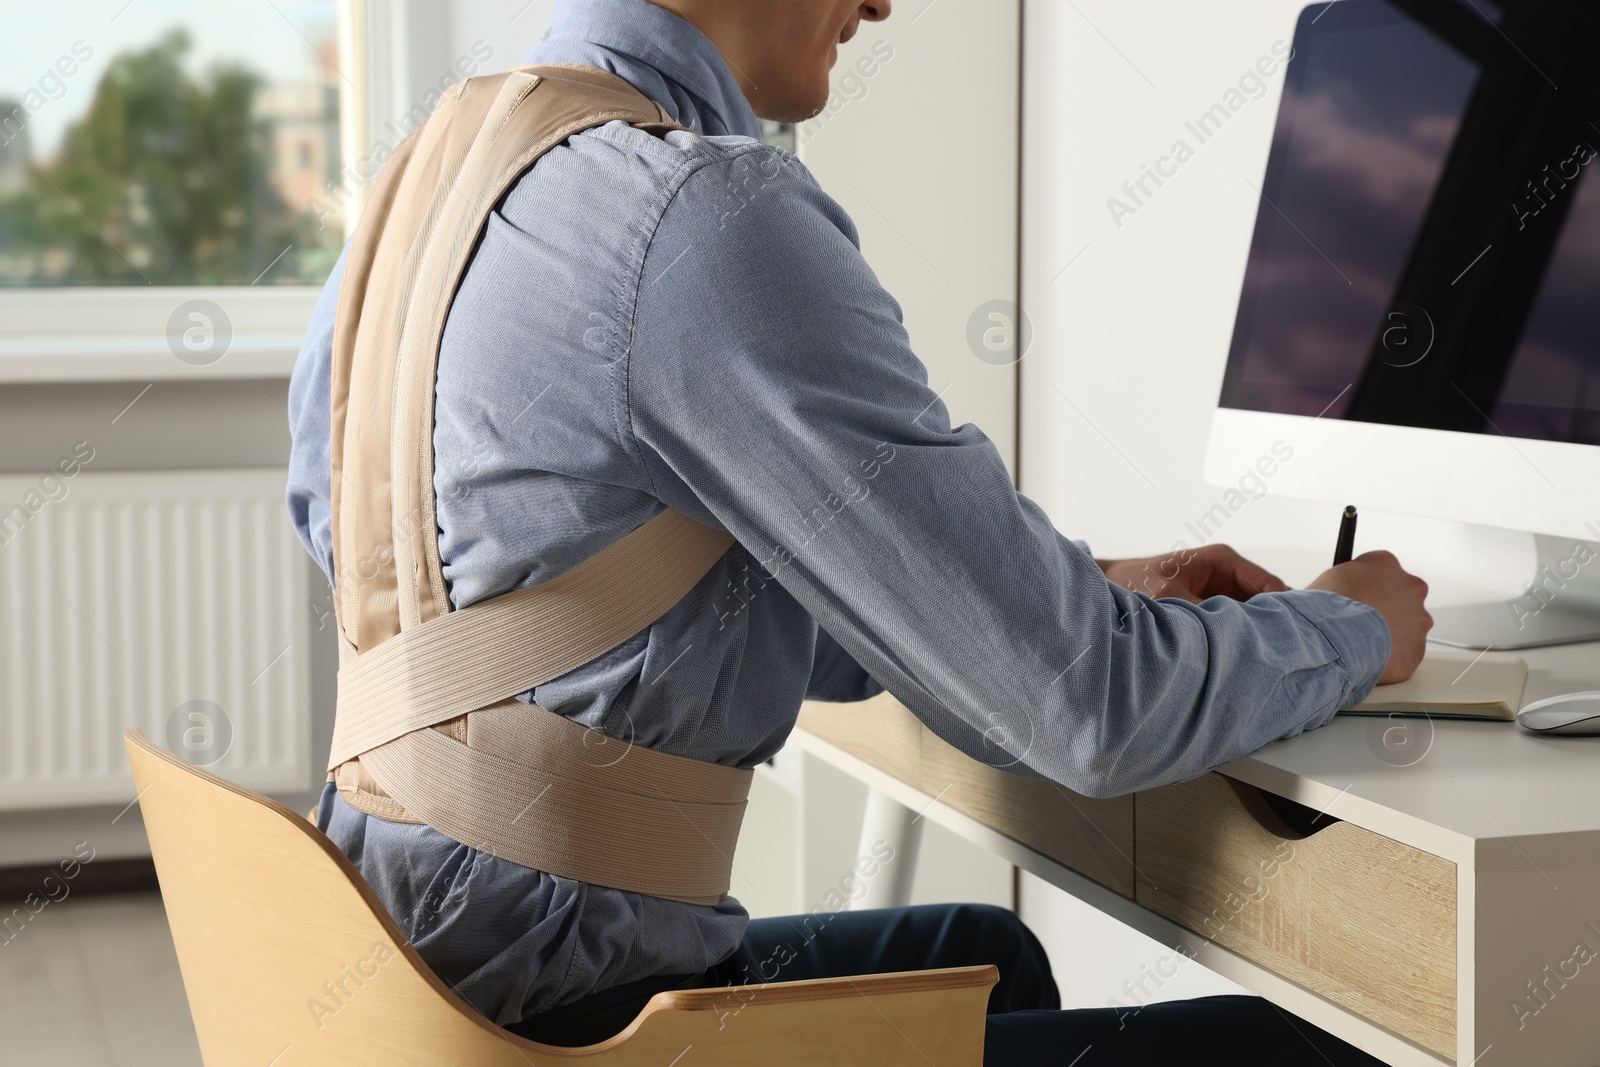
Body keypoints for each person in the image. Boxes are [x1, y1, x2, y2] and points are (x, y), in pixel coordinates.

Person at [285, 0, 1430, 1062]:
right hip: (564, 1027)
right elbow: (1090, 711)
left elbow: (398, 562)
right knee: (1264, 1051)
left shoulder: (433, 168)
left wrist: (1039, 594)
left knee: (991, 958)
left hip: (394, 974)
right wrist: (1351, 624)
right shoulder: (695, 214)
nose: (882, 3)